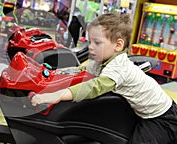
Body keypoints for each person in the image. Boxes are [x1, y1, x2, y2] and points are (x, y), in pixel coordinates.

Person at [31, 13, 177, 144]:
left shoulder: (118, 67)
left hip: (162, 118)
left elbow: (94, 87)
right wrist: (52, 74)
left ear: (118, 45)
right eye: (90, 42)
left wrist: (57, 95)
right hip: (143, 111)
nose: (91, 47)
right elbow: (79, 71)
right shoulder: (99, 62)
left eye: (97, 43)